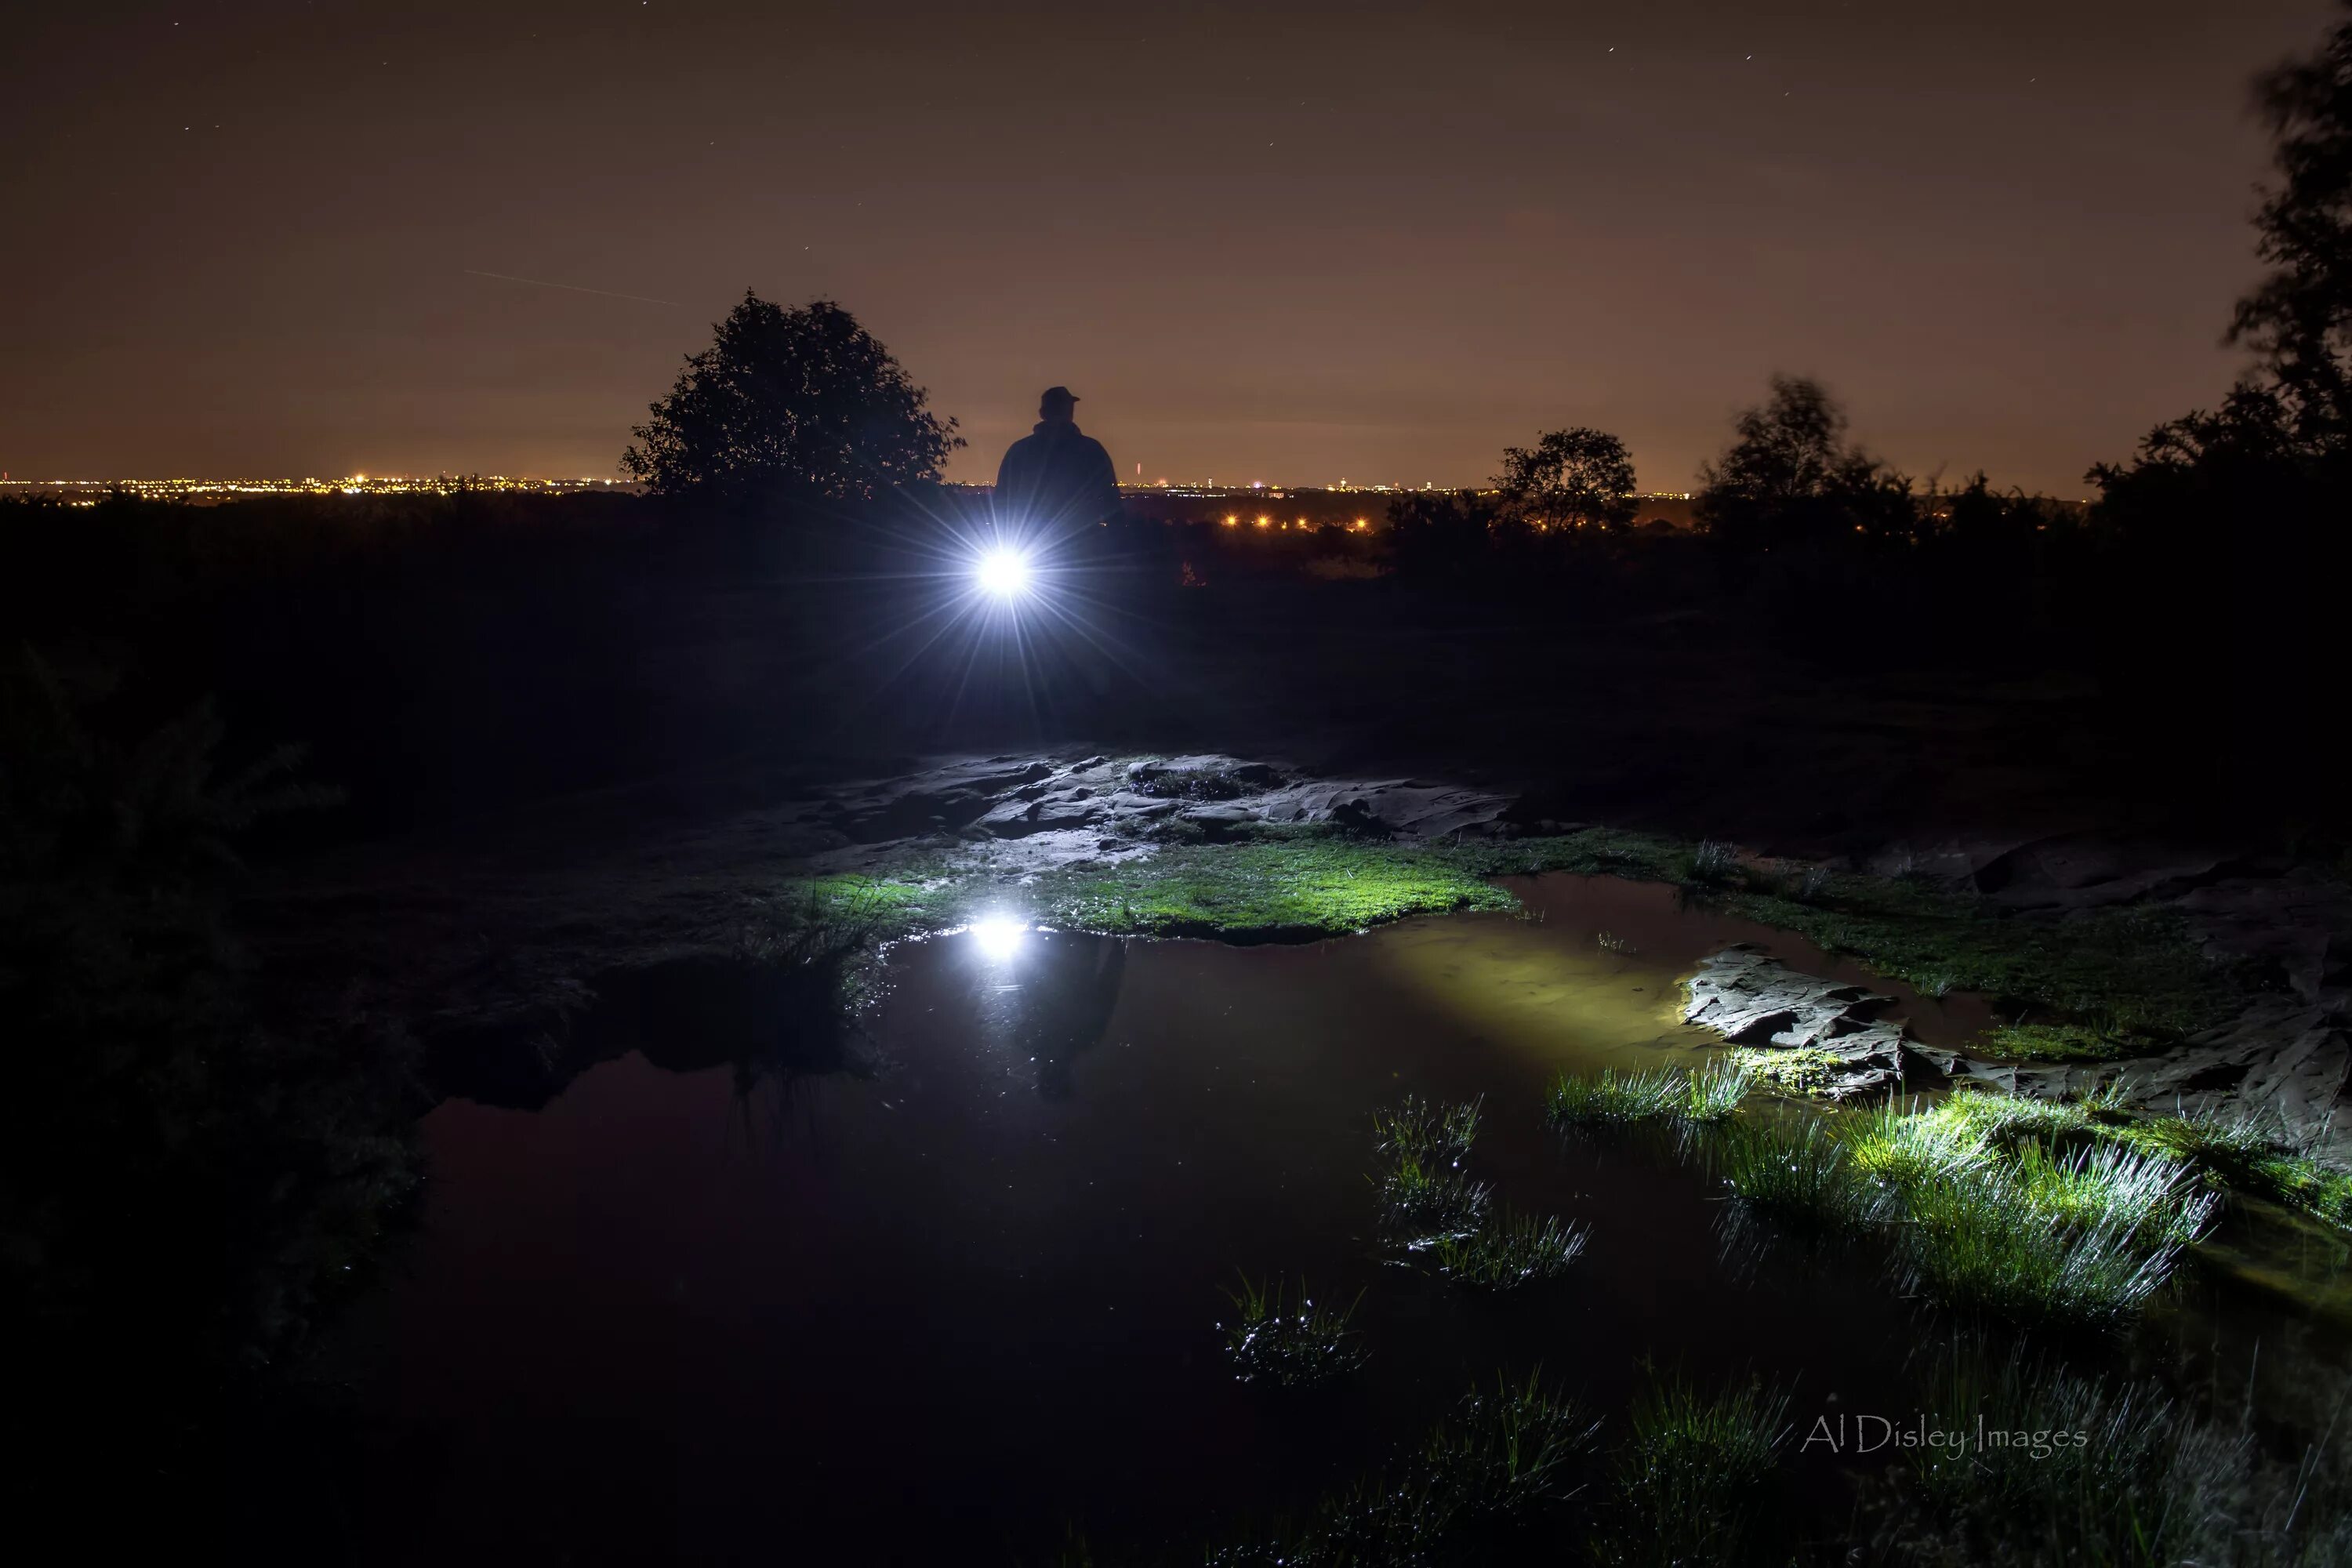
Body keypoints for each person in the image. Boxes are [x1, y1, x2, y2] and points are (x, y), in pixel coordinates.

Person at [993, 385, 1121, 546]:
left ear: (1042, 413)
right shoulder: (1091, 450)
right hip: (1080, 543)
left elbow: (1002, 500)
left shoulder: (1020, 451)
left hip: (1032, 542)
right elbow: (1111, 499)